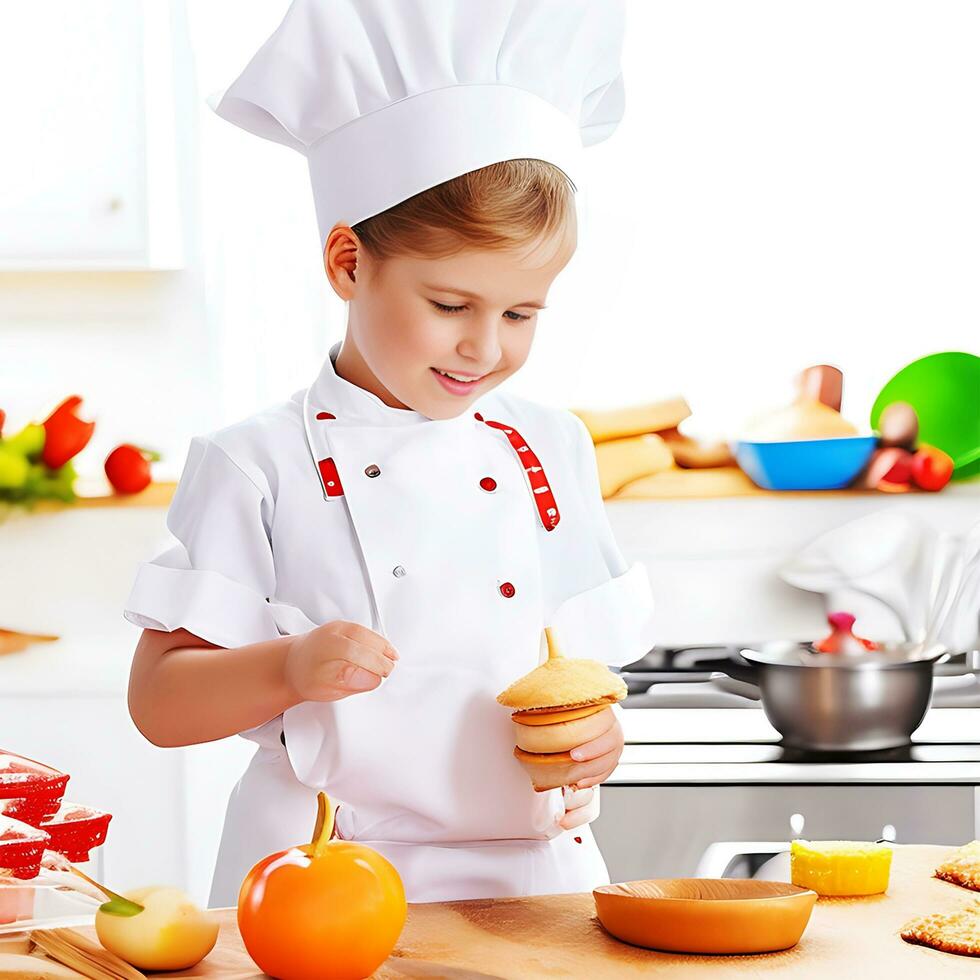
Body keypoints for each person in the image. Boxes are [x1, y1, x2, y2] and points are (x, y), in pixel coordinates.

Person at [123, 0, 655, 908]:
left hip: (539, 880)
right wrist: (286, 669)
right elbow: (160, 707)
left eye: (520, 314)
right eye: (451, 305)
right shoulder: (256, 463)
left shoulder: (550, 446)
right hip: (317, 877)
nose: (485, 349)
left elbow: (577, 675)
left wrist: (598, 737)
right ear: (346, 262)